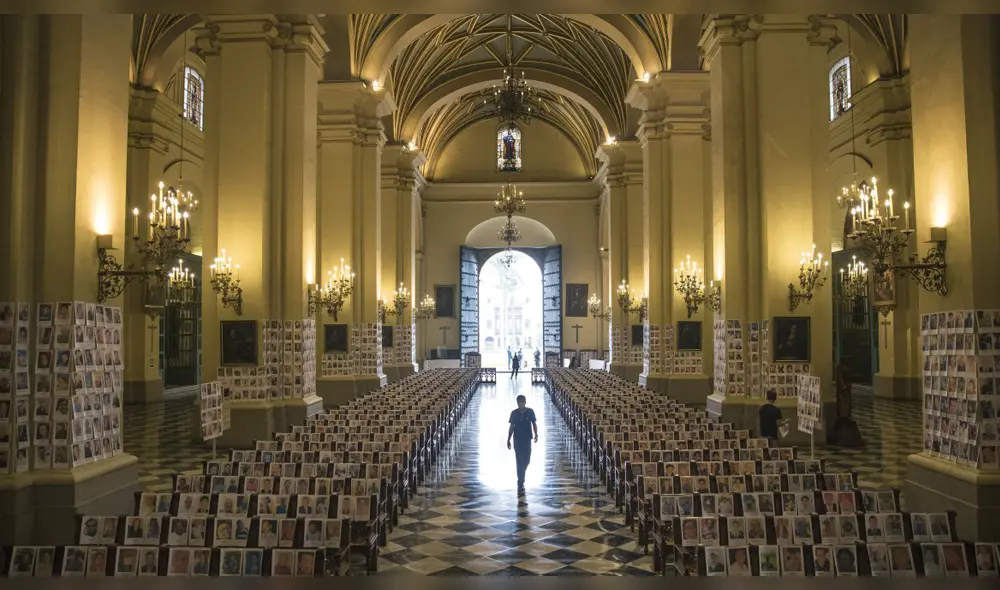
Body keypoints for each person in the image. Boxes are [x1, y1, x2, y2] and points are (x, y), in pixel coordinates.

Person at [507, 394, 538, 494]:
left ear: (525, 402)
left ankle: (522, 473)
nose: (521, 403)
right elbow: (511, 427)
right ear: (517, 403)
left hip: (527, 438)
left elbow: (534, 423)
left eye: (522, 401)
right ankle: (520, 481)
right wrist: (508, 439)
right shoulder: (514, 413)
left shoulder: (530, 412)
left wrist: (536, 434)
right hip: (517, 439)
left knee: (527, 459)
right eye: (519, 401)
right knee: (519, 460)